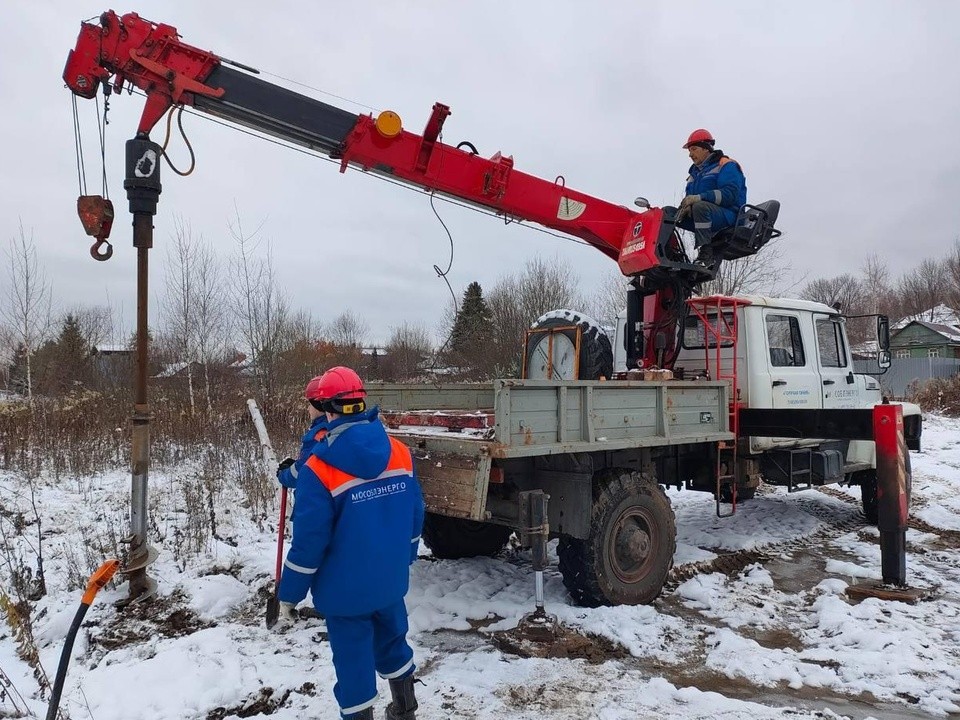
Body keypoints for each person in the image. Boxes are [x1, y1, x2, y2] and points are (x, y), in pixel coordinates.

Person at [276, 366, 425, 720]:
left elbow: (309, 542)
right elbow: (415, 512)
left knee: (353, 661)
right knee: (393, 639)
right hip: (389, 581)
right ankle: (405, 708)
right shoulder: (400, 452)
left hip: (345, 592)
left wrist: (289, 594)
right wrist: (405, 556)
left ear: (327, 409)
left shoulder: (317, 469)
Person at [676, 128, 747, 267]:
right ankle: (667, 258)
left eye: (694, 149)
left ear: (706, 148)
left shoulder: (726, 165)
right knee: (667, 214)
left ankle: (706, 256)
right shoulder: (693, 175)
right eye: (689, 151)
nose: (690, 154)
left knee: (700, 207)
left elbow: (729, 195)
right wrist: (685, 208)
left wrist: (699, 198)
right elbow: (691, 199)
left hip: (729, 216)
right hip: (703, 215)